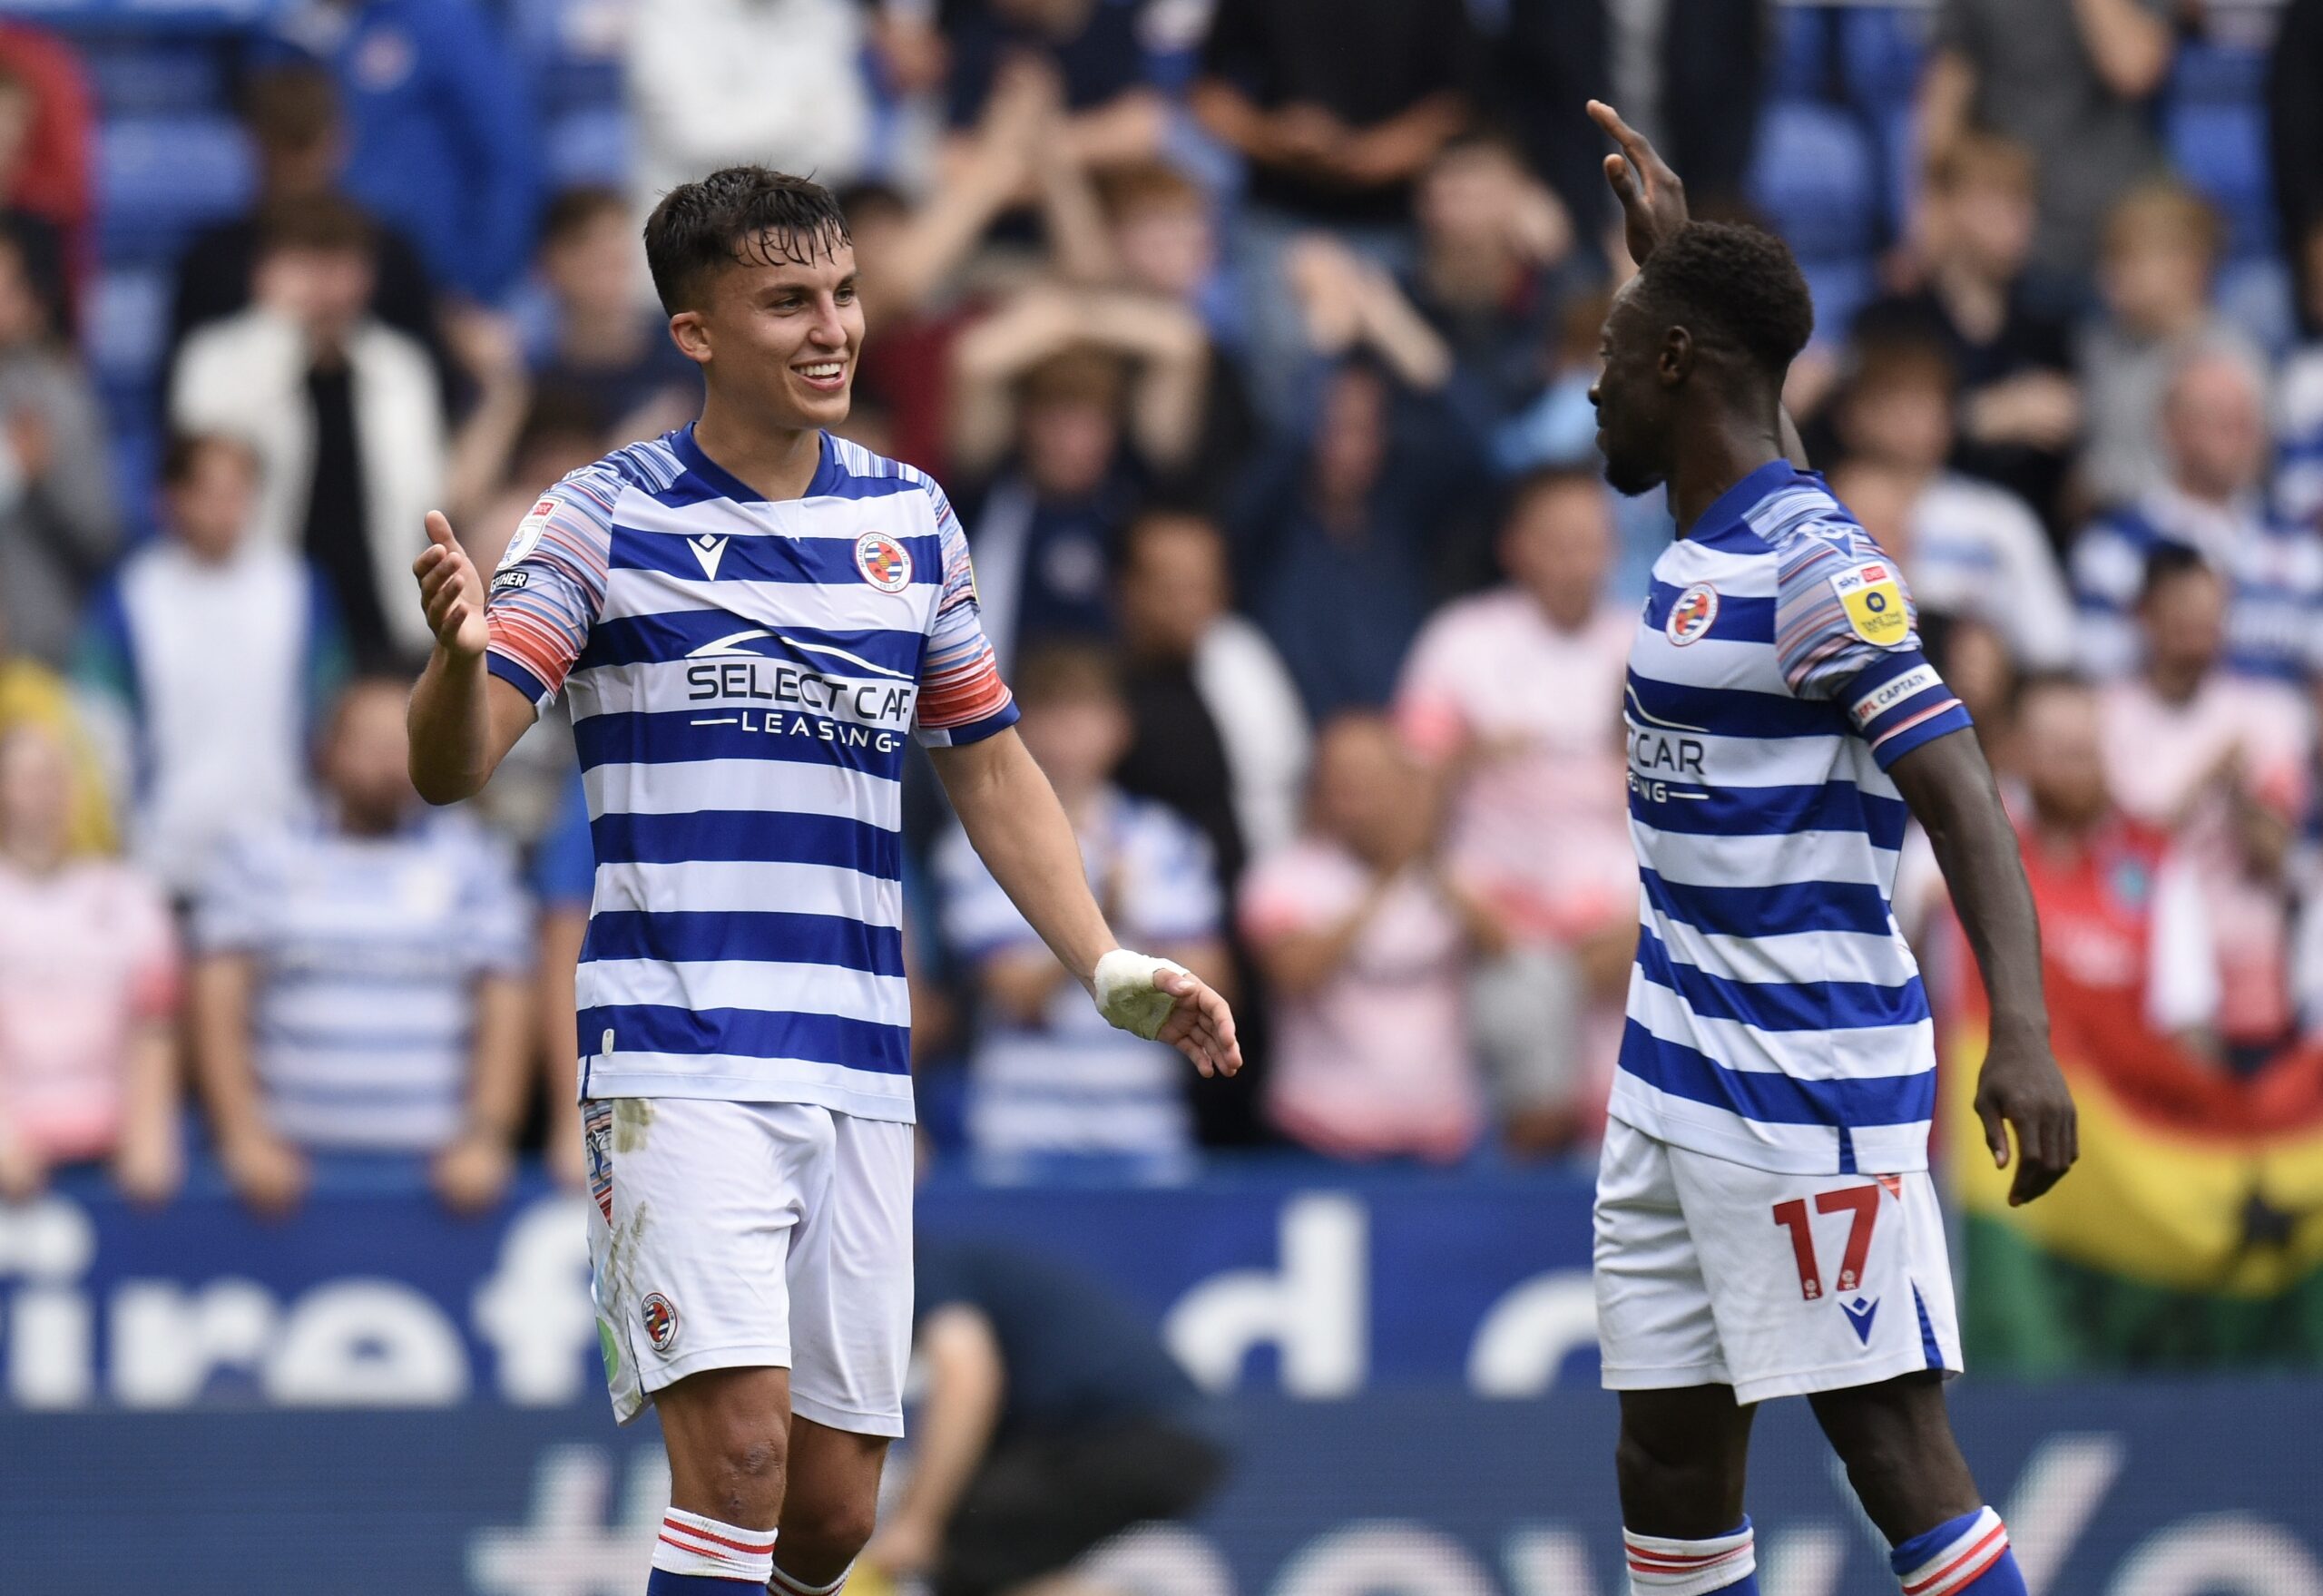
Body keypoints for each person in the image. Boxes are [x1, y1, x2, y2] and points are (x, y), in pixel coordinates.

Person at [402, 168, 1240, 1596]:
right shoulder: (599, 516)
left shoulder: (911, 520)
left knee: (836, 1510)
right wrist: (445, 659)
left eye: (843, 293)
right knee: (736, 1460)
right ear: (695, 332)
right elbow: (456, 760)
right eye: (787, 301)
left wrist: (1107, 958)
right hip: (676, 1051)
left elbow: (988, 761)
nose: (832, 327)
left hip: (858, 1061)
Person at [1583, 103, 2073, 1596]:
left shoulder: (1818, 572)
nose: (1592, 387)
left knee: (1896, 1456)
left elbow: (1966, 790)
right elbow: (1764, 433)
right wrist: (1676, 266)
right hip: (1672, 1064)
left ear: (1675, 366)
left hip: (1808, 1081)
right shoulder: (1741, 526)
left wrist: (2026, 1033)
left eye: (1613, 353)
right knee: (1668, 1462)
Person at [190, 673, 531, 1217]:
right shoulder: (259, 854)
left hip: (437, 1177)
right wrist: (242, 1137)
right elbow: (217, 997)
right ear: (325, 751)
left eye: (405, 741)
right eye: (371, 744)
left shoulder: (473, 859)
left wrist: (487, 1137)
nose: (391, 762)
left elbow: (506, 1002)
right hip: (284, 1176)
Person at [1396, 469, 1639, 1153]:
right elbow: (1404, 797)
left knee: (1627, 1135)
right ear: (1515, 547)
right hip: (1497, 926)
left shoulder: (1650, 643)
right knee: (1531, 1124)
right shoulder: (1461, 642)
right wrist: (1465, 761)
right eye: (1555, 541)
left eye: (1590, 541)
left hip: (1625, 929)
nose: (1574, 559)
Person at [935, 642, 1229, 1179]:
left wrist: (1128, 928)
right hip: (1022, 1132)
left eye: (1084, 714)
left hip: (1145, 1126)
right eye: (1053, 715)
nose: (1069, 734)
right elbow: (1014, 993)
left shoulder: (1169, 841)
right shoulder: (975, 846)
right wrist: (1100, 927)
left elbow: (1214, 981)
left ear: (1119, 727)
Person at [861, 1237, 1229, 1596]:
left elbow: (966, 1377)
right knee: (981, 1550)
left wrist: (917, 1522)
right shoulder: (963, 1270)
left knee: (966, 1538)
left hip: (1140, 1434)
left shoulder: (923, 1274)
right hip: (1168, 1437)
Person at [170, 194, 444, 665]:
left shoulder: (401, 368)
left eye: (341, 264)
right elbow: (204, 470)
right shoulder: (215, 359)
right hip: (262, 633)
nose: (327, 284)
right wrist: (277, 331)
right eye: (309, 263)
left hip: (386, 623)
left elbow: (428, 492)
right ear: (266, 271)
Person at [75, 434, 348, 902]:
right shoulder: (130, 597)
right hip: (163, 855)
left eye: (239, 493)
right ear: (170, 501)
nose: (227, 510)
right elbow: (98, 727)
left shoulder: (300, 590)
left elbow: (331, 712)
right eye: (211, 493)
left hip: (282, 852)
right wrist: (119, 838)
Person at [1241, 712, 1497, 1160]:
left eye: (1375, 781)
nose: (1361, 800)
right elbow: (1294, 973)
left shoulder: (1456, 873)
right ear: (1318, 792)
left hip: (1441, 1140)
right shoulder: (1284, 877)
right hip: (1318, 1135)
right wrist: (1384, 878)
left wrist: (1428, 858)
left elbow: (1513, 954)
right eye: (1344, 783)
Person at [2098, 551, 2309, 1065]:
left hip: (2248, 972)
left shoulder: (2268, 715)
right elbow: (2127, 853)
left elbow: (2274, 855)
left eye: (2210, 611)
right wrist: (2208, 776)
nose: (2199, 626)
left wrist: (2240, 793)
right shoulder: (2106, 718)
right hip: (2139, 972)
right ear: (2143, 615)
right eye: (2182, 610)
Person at [1852, 133, 2080, 536]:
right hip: (1914, 533)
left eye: (2025, 202)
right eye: (1999, 200)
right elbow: (1864, 438)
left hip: (2030, 540)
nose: (2019, 219)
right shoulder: (1892, 323)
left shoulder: (2050, 331)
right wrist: (1983, 418)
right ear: (1948, 207)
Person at [165, 63, 440, 387]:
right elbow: (187, 409)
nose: (297, 167)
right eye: (283, 142)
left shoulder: (389, 259)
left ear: (339, 141)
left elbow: (426, 394)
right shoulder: (214, 264)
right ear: (255, 144)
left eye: (306, 141)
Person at [0, 721, 181, 1204]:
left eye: (55, 777)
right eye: (25, 778)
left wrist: (148, 1131)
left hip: (111, 1141)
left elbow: (153, 1025)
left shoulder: (130, 895)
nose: (43, 794)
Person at [2070, 347, 2323, 686]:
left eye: (2247, 421)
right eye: (2219, 421)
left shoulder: (2303, 548)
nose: (2240, 436)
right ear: (2169, 428)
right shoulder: (2112, 549)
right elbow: (2098, 678)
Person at [1823, 338, 2076, 672]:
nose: (1910, 420)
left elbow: (2051, 645)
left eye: (1926, 404)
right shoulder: (1820, 511)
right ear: (1852, 414)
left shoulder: (1997, 517)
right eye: (1893, 403)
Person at [272, 0, 541, 303]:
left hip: (437, 285)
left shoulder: (441, 18)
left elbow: (506, 157)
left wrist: (479, 288)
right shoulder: (285, 32)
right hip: (327, 282)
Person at [2006, 674, 2220, 1052]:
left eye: (2089, 752)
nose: (2080, 771)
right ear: (2021, 753)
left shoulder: (2156, 860)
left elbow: (2187, 1016)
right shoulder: (1974, 844)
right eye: (2064, 754)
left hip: (2117, 1100)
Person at [1918, 0, 2171, 278]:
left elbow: (2133, 68)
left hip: (2116, 238)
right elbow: (1949, 85)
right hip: (2008, 235)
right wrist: (1933, 200)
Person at [2074, 182, 2262, 512]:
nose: (2109, 278)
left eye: (2128, 261)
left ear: (2187, 266)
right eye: (2108, 261)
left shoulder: (2232, 361)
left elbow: (2240, 478)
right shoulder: (2100, 348)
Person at [0, 220, 115, 671]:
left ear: (35, 301)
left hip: (38, 651)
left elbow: (100, 535)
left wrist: (44, 477)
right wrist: (11, 470)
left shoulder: (58, 397)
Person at [529, 186, 701, 439]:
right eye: (584, 243)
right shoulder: (543, 387)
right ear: (547, 265)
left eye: (615, 238)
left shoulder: (691, 341)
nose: (607, 255)